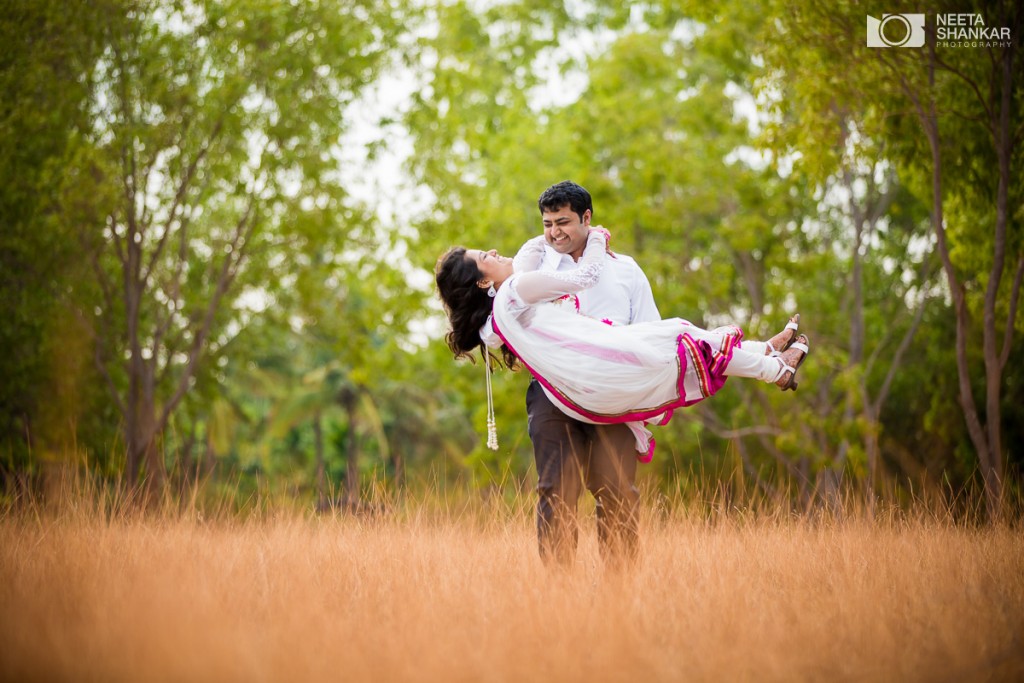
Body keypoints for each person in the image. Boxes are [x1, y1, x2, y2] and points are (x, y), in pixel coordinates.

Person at [435, 181, 807, 568]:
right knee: (556, 489)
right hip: (553, 393)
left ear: (587, 218)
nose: (554, 232)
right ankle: (558, 592)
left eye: (563, 222)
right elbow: (516, 292)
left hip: (613, 387)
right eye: (547, 223)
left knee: (616, 489)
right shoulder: (536, 267)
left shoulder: (626, 270)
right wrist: (580, 241)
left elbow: (651, 335)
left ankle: (620, 590)